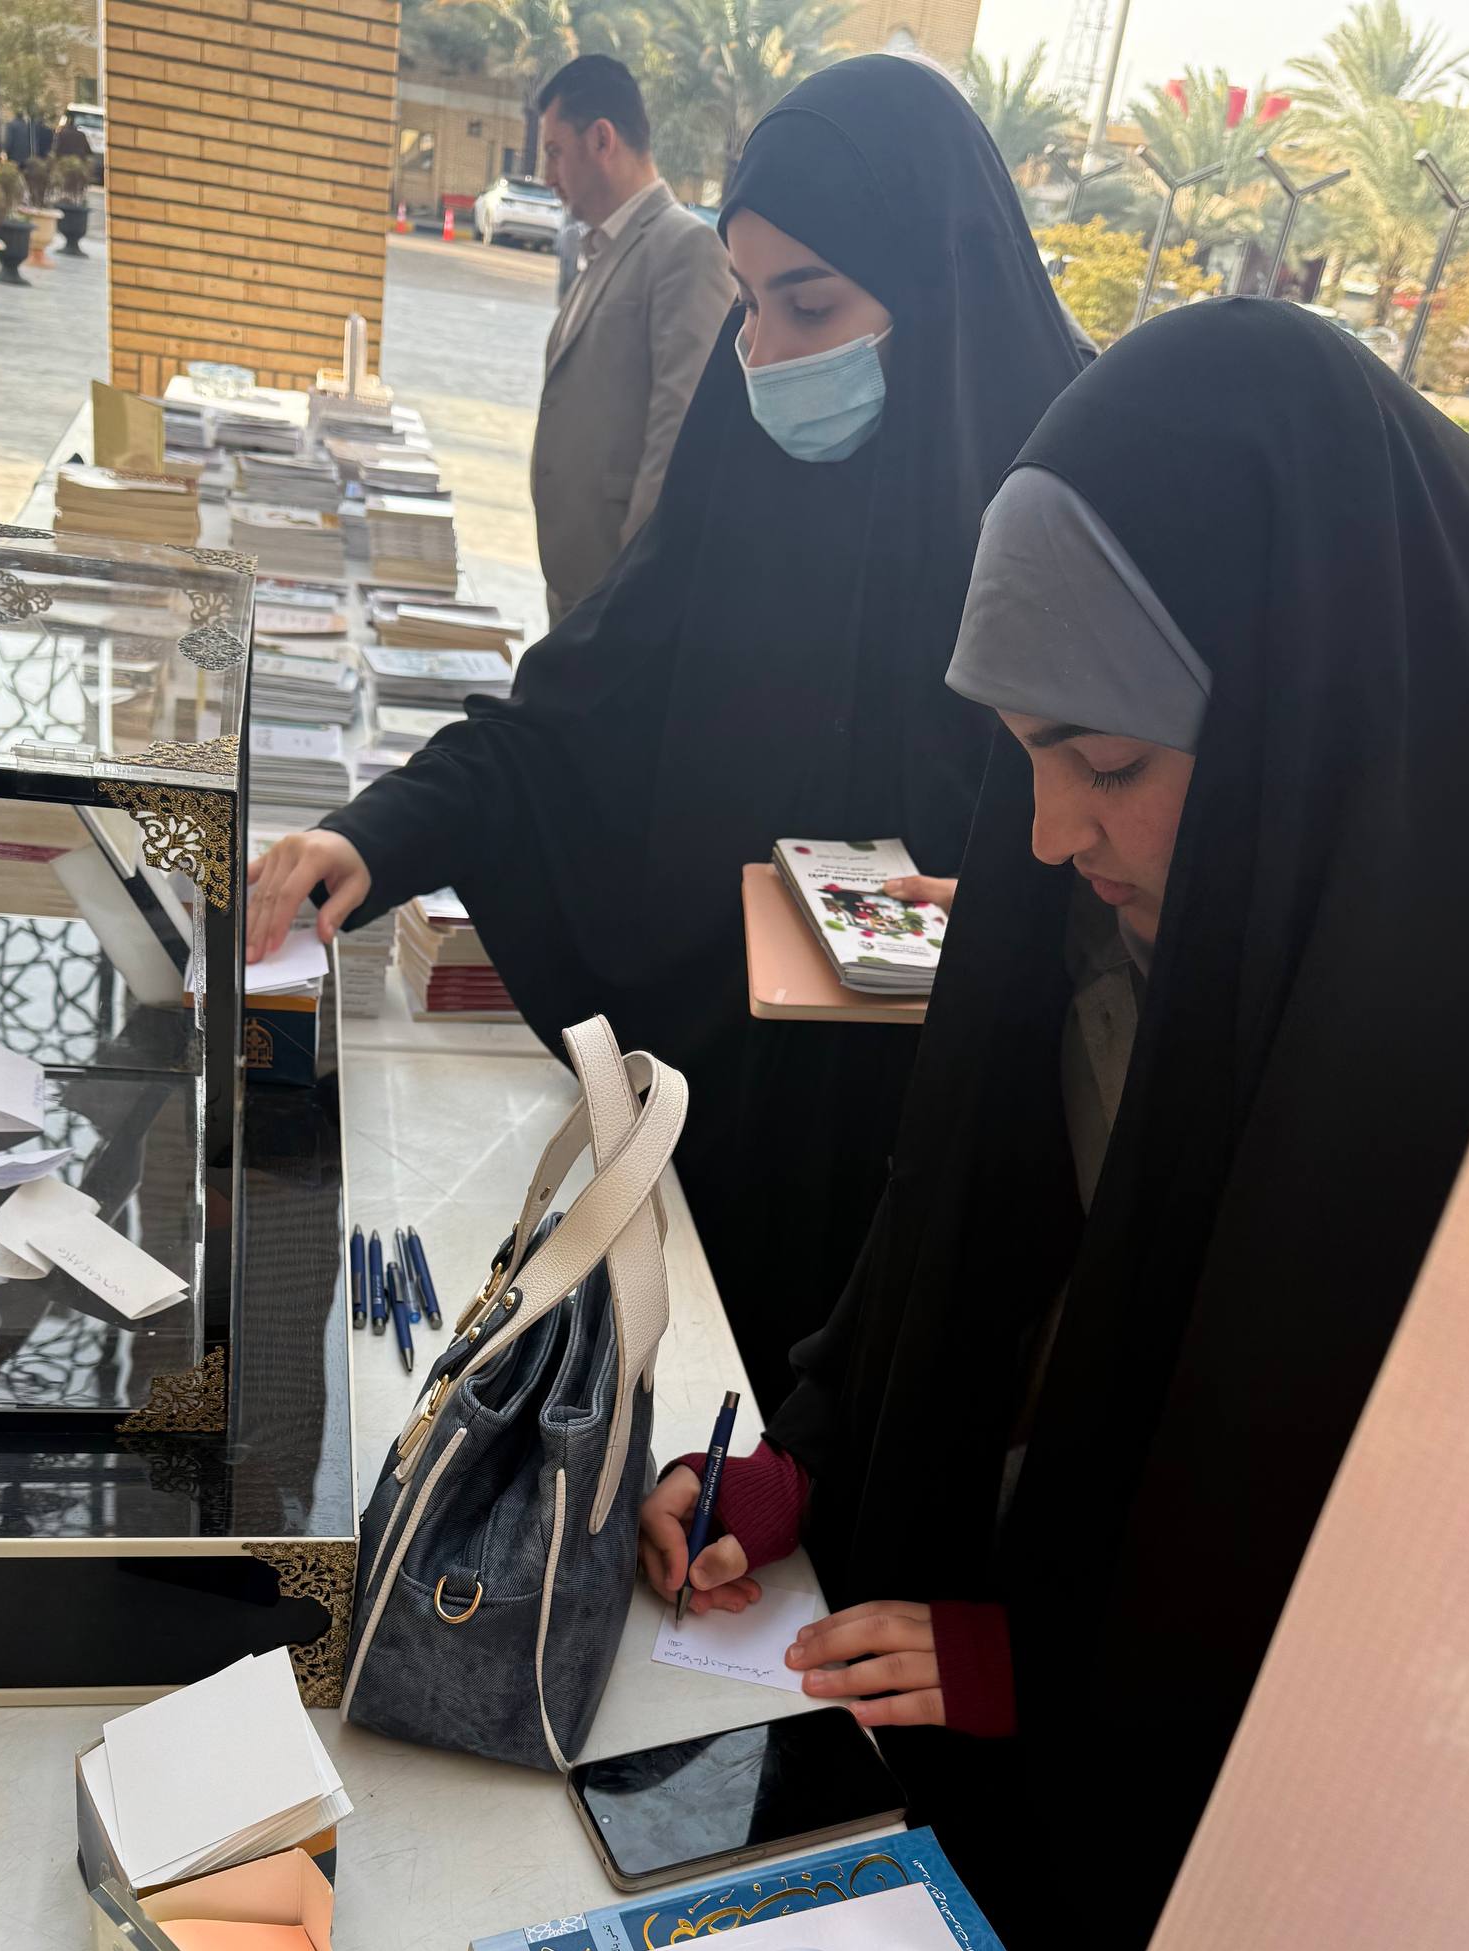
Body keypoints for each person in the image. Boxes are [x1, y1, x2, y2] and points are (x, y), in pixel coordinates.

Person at [639, 298, 1469, 1951]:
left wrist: (1063, 1670)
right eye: (1022, 754)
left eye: (1106, 764)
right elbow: (968, 1230)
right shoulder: (1107, 903)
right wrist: (804, 1458)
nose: (1045, 834)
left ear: (1291, 725)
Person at [246, 54, 1090, 1401]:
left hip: (918, 1195)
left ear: (935, 289)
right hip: (715, 1137)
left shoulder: (1063, 526)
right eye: (748, 303)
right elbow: (566, 724)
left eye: (810, 303)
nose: (767, 356)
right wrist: (375, 834)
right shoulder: (740, 475)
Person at [529, 56, 735, 623]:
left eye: (554, 152)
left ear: (602, 139)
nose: (546, 176)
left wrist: (629, 595)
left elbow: (678, 435)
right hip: (576, 591)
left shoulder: (686, 249)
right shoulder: (600, 249)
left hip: (618, 598)